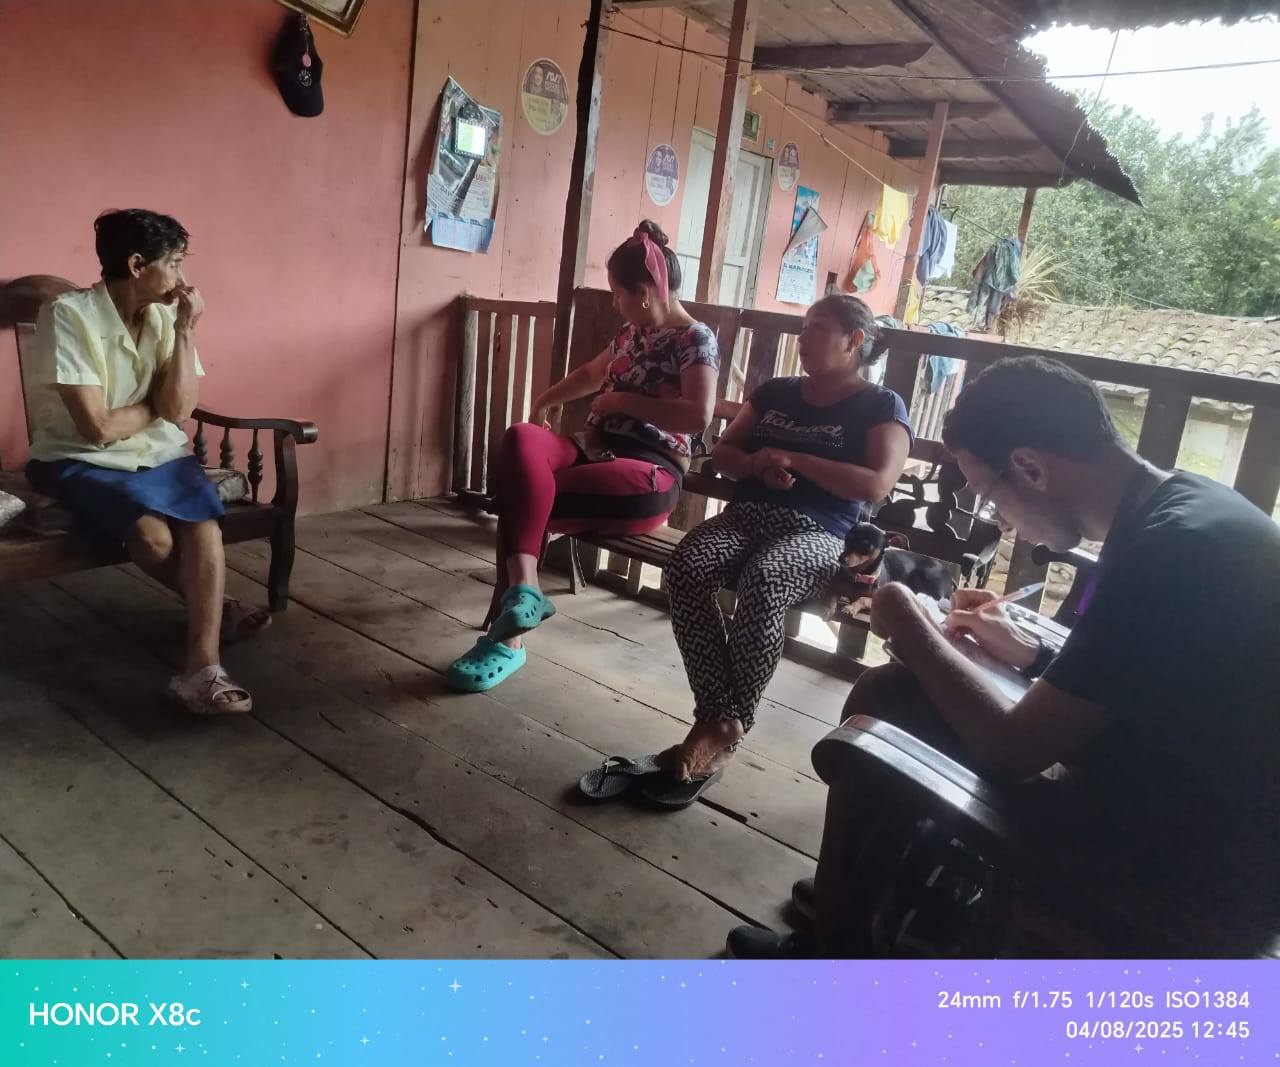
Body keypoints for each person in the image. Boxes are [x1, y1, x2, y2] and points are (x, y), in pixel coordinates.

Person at [731, 356, 1280, 957]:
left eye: (991, 498)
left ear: (1030, 468)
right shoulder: (1190, 507)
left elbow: (1012, 749)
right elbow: (1137, 676)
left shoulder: (1168, 555)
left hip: (1182, 866)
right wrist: (1032, 655)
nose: (1001, 521)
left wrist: (903, 614)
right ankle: (869, 897)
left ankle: (839, 946)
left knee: (881, 707)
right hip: (1196, 814)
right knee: (898, 694)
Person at [657, 294, 913, 800]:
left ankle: (723, 724)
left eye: (817, 328)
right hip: (746, 518)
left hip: (818, 534)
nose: (804, 338)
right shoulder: (776, 392)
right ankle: (722, 718)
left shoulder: (881, 405)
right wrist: (758, 465)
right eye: (803, 327)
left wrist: (794, 459)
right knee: (687, 565)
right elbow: (725, 453)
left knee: (766, 578)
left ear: (854, 340)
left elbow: (877, 484)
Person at [445, 221, 718, 692]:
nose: (615, 303)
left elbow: (698, 414)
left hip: (649, 470)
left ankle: (506, 642)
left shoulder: (696, 339)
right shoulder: (632, 333)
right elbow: (592, 373)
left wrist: (623, 402)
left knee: (525, 494)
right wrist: (543, 401)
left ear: (645, 293)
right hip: (594, 448)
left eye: (618, 294)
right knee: (522, 439)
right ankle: (525, 591)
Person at [25, 209, 268, 715]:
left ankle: (203, 668)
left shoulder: (163, 316)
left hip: (158, 450)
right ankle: (217, 608)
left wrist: (185, 331)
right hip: (77, 457)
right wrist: (155, 406)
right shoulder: (68, 314)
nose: (183, 277)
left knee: (201, 521)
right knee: (153, 539)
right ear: (137, 265)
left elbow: (178, 410)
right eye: (175, 263)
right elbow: (97, 428)